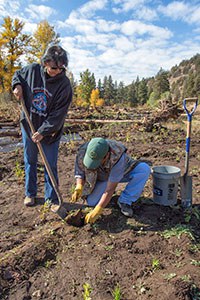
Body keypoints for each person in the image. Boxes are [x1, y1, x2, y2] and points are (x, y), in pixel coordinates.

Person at [12, 45, 72, 208]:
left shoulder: (64, 85)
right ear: (45, 63)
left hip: (51, 132)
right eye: (54, 68)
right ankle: (30, 194)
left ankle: (51, 199)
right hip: (29, 125)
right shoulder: (32, 70)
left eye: (61, 68)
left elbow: (58, 115)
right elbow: (17, 75)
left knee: (50, 163)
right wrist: (17, 85)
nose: (57, 71)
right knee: (30, 160)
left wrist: (43, 131)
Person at [71, 137, 151, 224]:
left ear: (107, 155)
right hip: (101, 177)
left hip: (123, 171)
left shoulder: (117, 156)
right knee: (92, 202)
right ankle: (106, 197)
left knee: (143, 169)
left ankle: (125, 201)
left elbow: (110, 189)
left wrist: (98, 209)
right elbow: (80, 173)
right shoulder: (82, 152)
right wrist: (79, 186)